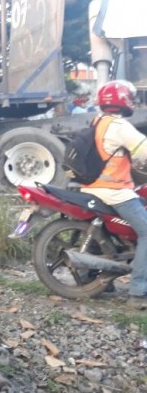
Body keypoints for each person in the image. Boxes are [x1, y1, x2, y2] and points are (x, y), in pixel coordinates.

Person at [81, 80, 147, 309]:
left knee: (113, 228)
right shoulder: (120, 126)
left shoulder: (98, 120)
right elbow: (143, 150)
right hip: (114, 191)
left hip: (94, 187)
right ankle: (138, 292)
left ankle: (93, 277)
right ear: (125, 99)